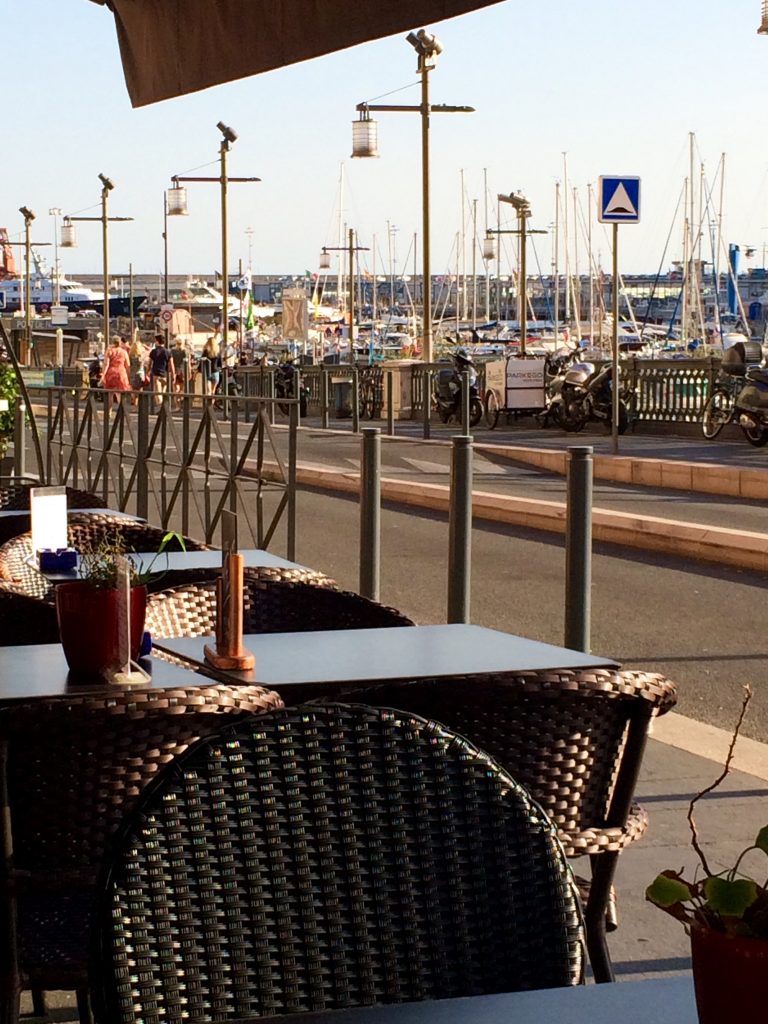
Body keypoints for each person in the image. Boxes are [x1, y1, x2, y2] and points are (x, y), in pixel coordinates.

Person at [100, 336, 130, 404]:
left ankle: (109, 412)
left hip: (111, 373)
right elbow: (127, 365)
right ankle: (121, 411)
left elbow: (106, 364)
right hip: (121, 373)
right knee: (120, 394)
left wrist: (103, 375)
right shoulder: (124, 352)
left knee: (110, 394)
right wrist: (128, 376)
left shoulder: (109, 351)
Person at [148, 334, 174, 405]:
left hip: (156, 374)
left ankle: (161, 410)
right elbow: (171, 364)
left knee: (158, 393)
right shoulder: (168, 352)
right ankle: (163, 407)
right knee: (163, 392)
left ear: (157, 342)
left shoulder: (153, 352)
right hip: (165, 374)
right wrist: (173, 374)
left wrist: (148, 371)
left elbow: (149, 363)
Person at [128, 333, 148, 404]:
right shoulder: (141, 356)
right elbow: (149, 351)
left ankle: (135, 404)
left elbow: (129, 365)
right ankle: (140, 405)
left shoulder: (131, 356)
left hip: (133, 374)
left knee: (133, 390)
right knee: (140, 390)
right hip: (141, 374)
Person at [170, 337, 189, 409]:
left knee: (176, 389)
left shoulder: (172, 351)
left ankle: (177, 405)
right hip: (183, 371)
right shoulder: (185, 351)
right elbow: (188, 363)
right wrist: (189, 372)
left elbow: (171, 362)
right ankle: (181, 398)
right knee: (182, 389)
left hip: (175, 371)